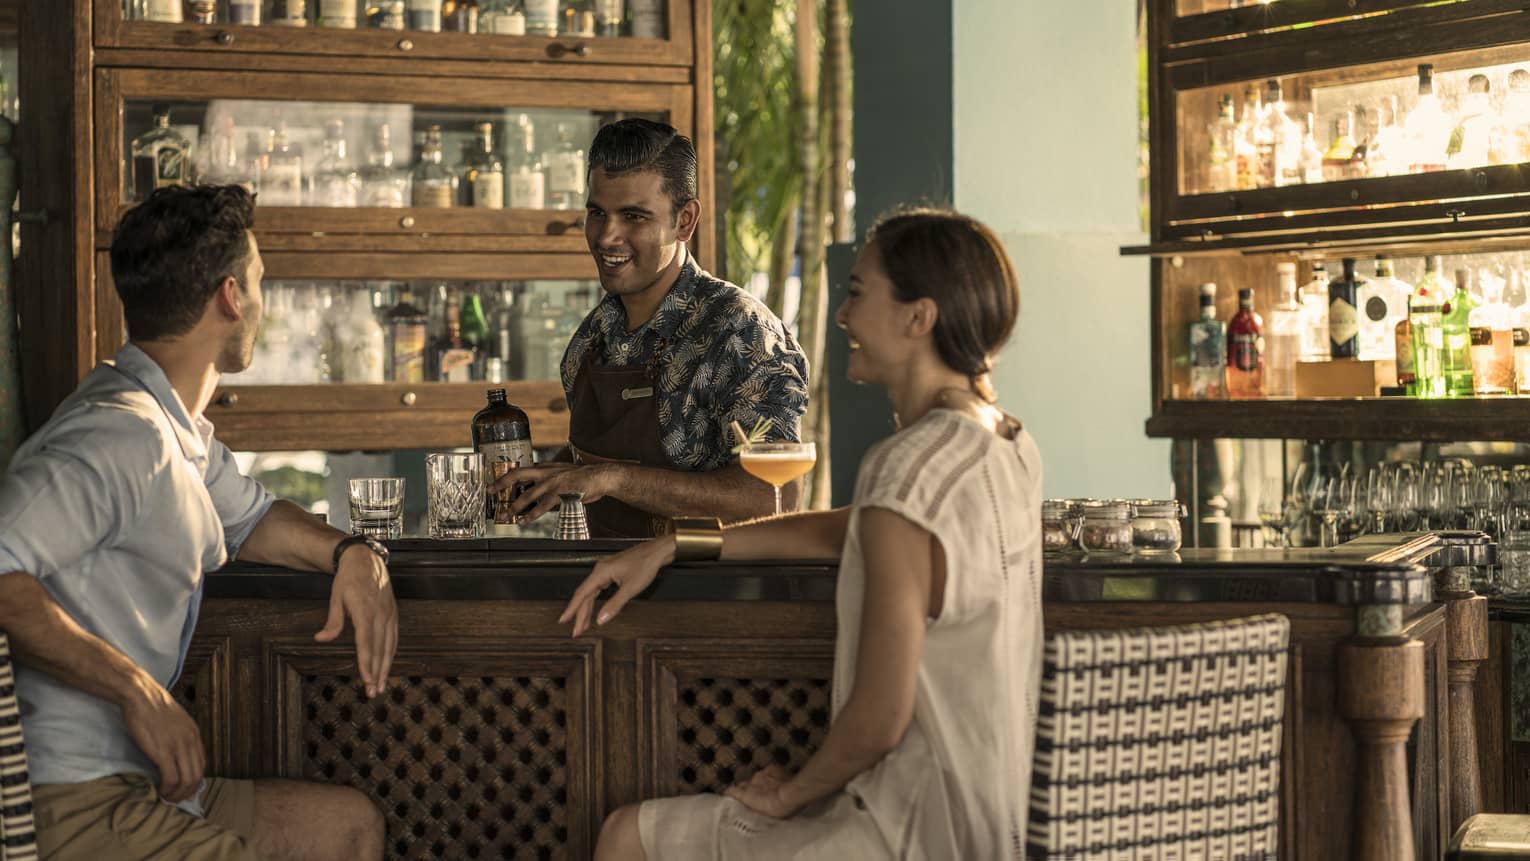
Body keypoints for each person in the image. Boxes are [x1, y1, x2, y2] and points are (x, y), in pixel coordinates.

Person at [563, 208, 1043, 859]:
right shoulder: (1007, 443)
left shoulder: (905, 465)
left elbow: (877, 719)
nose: (843, 317)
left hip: (910, 830)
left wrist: (788, 794)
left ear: (918, 317)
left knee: (627, 836)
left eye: (856, 293)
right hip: (1001, 821)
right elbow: (863, 529)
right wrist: (678, 542)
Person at [0, 185, 398, 860]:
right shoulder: (117, 436)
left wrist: (353, 551)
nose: (263, 302)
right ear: (230, 297)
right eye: (261, 280)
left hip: (149, 784)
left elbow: (255, 518)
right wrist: (134, 691)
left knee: (347, 827)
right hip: (73, 796)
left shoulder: (170, 427)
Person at [499, 118, 810, 538]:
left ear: (685, 220)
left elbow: (776, 497)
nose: (607, 236)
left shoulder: (740, 332)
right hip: (602, 591)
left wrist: (616, 479)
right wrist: (556, 477)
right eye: (597, 213)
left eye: (633, 216)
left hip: (710, 599)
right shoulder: (590, 342)